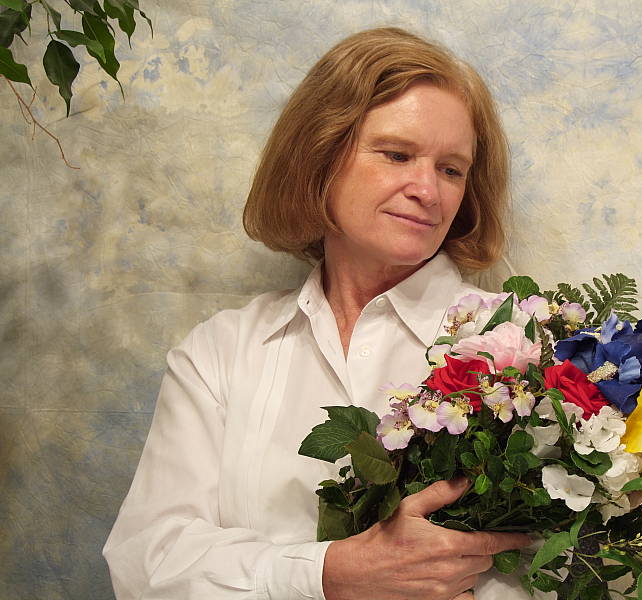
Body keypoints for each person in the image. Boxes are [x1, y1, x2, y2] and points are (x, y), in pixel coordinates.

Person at [104, 27, 531, 600]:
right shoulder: (221, 352)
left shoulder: (523, 350)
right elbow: (146, 563)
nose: (428, 191)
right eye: (397, 155)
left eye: (452, 169)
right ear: (320, 155)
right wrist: (327, 575)